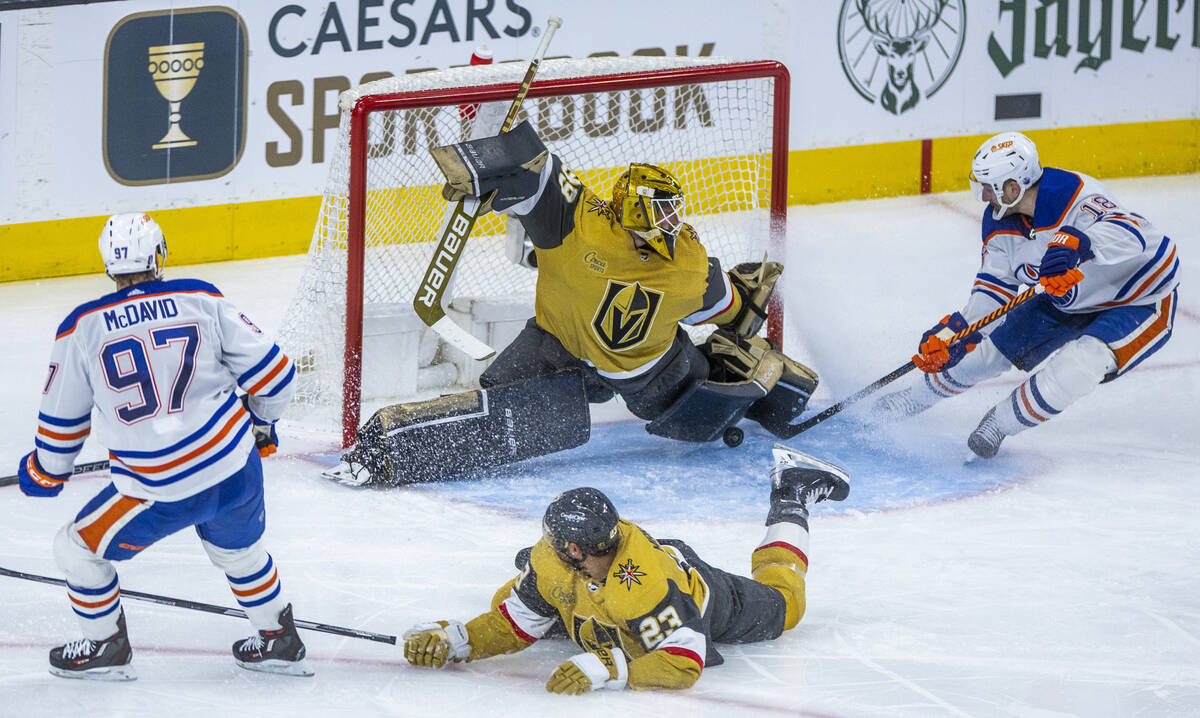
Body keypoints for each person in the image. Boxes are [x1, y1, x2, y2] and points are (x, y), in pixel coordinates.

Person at [326, 122, 818, 486]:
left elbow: (726, 308)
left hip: (648, 371)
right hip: (558, 343)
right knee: (504, 401)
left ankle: (761, 380)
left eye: (675, 209)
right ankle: (390, 452)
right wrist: (485, 167)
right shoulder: (579, 222)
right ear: (636, 207)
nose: (672, 219)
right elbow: (535, 170)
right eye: (662, 208)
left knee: (694, 417)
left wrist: (744, 311)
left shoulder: (686, 260)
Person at [16, 212, 311, 680]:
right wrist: (261, 424)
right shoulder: (201, 297)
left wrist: (46, 470)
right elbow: (276, 375)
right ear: (159, 255)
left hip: (158, 488)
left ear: (108, 267)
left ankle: (105, 648)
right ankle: (279, 639)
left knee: (75, 550)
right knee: (240, 554)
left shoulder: (82, 328)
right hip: (235, 467)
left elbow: (61, 424)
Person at [401, 444, 849, 693]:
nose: (547, 546)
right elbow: (512, 626)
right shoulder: (559, 560)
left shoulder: (646, 587)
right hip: (597, 602)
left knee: (787, 607)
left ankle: (791, 493)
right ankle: (534, 586)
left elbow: (684, 662)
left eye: (554, 543)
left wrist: (610, 670)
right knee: (520, 598)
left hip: (702, 598)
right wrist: (457, 640)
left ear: (574, 548)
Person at [874, 131, 1179, 458]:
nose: (984, 197)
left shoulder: (1074, 193)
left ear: (1013, 187)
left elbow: (1140, 235)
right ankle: (913, 398)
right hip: (1064, 298)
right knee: (983, 352)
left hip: (1138, 300)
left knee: (1080, 365)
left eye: (989, 188)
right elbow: (993, 291)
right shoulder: (998, 224)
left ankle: (1000, 422)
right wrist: (953, 333)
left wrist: (1081, 243)